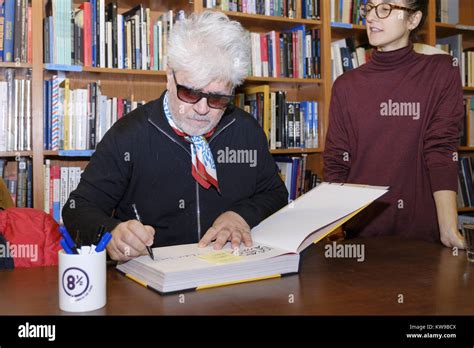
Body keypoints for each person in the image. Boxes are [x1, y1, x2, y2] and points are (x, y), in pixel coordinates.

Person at [62, 11, 288, 261]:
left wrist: (241, 214)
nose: (202, 109)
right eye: (190, 93)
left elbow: (275, 194)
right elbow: (78, 208)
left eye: (217, 98)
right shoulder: (129, 134)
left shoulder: (245, 129)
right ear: (170, 76)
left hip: (230, 270)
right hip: (151, 277)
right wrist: (111, 233)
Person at [323, 0, 466, 248]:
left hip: (424, 237)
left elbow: (441, 150)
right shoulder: (345, 86)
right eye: (369, 8)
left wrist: (449, 229)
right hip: (361, 239)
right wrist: (333, 227)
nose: (371, 17)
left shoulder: (442, 71)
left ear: (413, 19)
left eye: (385, 8)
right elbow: (337, 163)